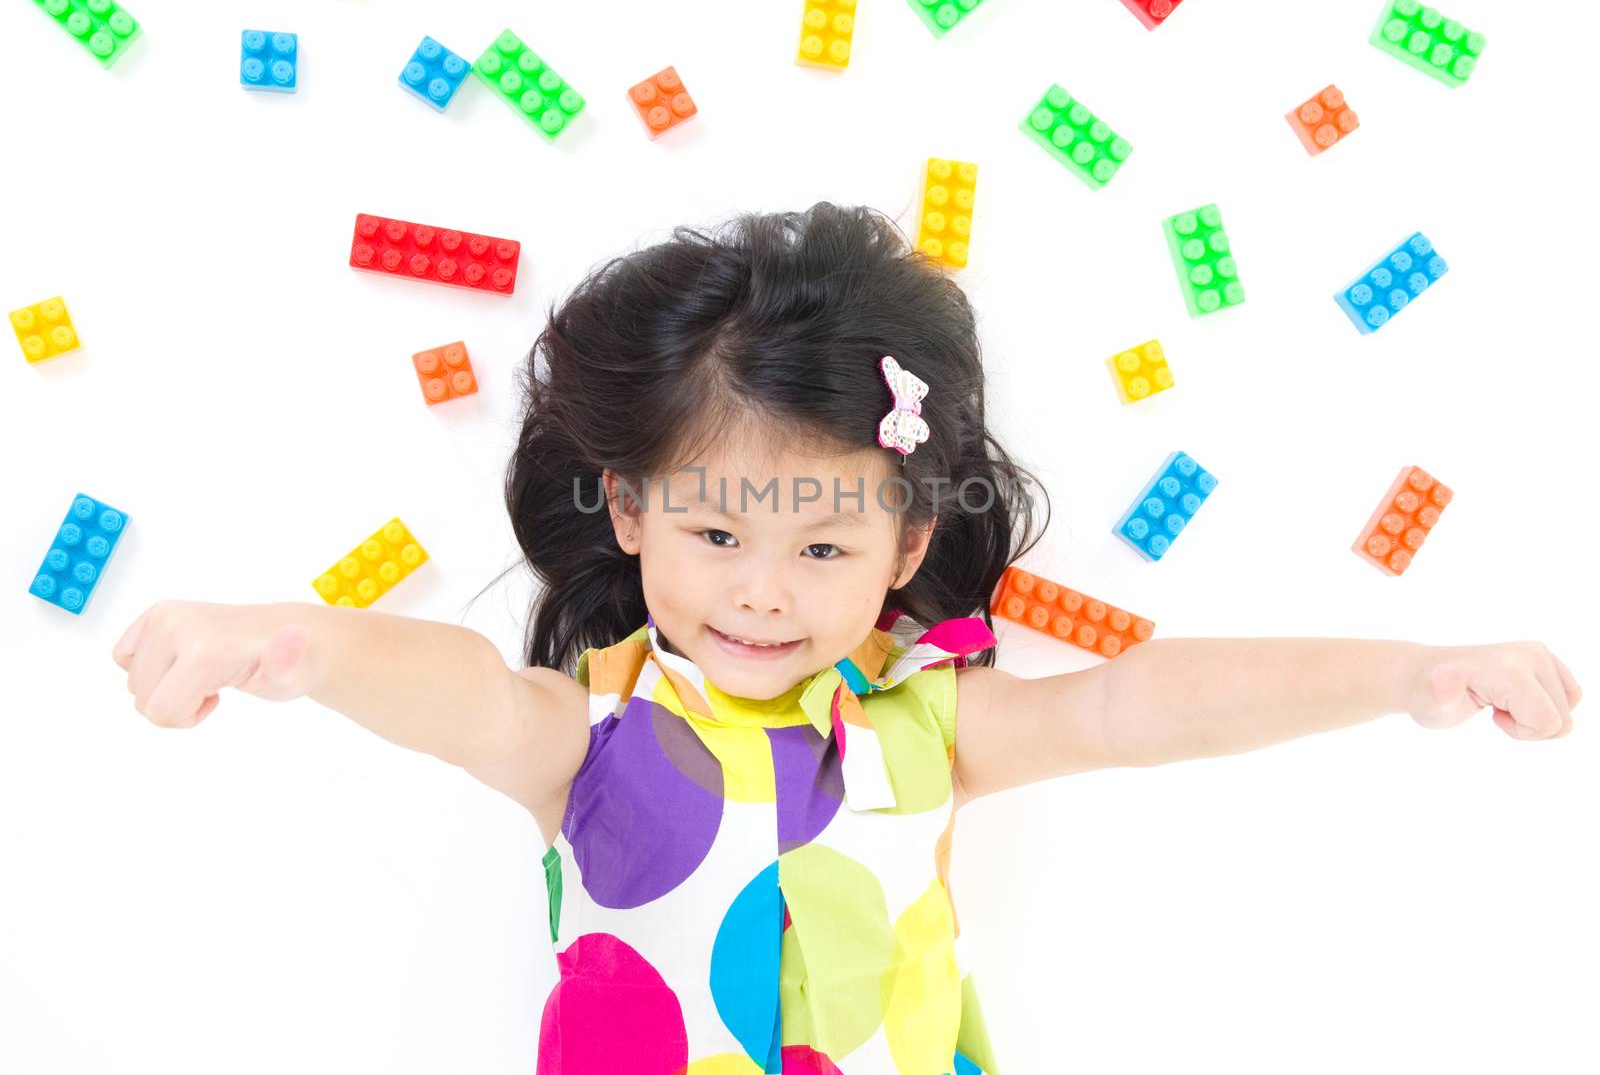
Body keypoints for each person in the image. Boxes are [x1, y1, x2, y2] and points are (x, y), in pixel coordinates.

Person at [112, 203, 1581, 1075]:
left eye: (822, 547)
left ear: (908, 545)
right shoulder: (599, 734)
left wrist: (1408, 674)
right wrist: (297, 641)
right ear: (627, 512)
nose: (763, 593)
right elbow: (455, 686)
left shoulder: (925, 721)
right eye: (716, 535)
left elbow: (1144, 702)